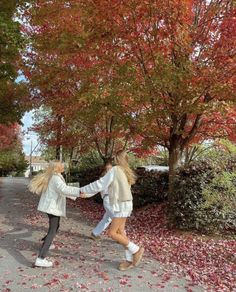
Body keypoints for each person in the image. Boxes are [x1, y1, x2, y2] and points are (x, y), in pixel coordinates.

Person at [80, 150, 144, 271]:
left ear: (117, 159)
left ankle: (136, 250)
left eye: (115, 158)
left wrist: (82, 190)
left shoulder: (115, 170)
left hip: (121, 206)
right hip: (126, 205)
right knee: (120, 232)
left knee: (112, 233)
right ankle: (129, 260)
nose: (113, 160)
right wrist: (87, 194)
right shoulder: (126, 171)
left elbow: (100, 184)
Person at [29, 161, 81, 268]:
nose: (64, 166)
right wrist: (79, 191)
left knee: (55, 226)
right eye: (62, 165)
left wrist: (75, 195)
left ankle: (46, 241)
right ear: (57, 168)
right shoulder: (56, 178)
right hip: (52, 208)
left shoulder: (55, 176)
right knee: (52, 230)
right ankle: (41, 258)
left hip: (51, 207)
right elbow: (64, 189)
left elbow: (62, 190)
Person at [90, 161, 113, 240]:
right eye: (108, 169)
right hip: (108, 200)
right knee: (117, 218)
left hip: (111, 200)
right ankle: (121, 237)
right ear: (105, 169)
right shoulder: (103, 179)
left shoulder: (111, 177)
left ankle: (95, 233)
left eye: (111, 168)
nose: (110, 170)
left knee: (107, 219)